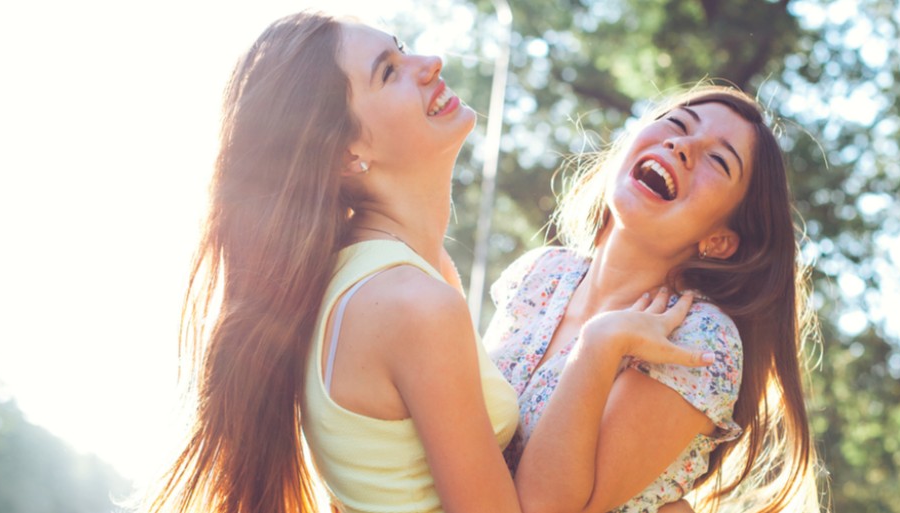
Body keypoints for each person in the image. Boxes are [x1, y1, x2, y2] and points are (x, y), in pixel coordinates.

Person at [149, 12, 712, 513]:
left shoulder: (392, 276)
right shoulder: (412, 304)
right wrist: (599, 345)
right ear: (348, 152)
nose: (430, 62)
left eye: (402, 47)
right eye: (388, 71)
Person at [485, 85, 818, 513]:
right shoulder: (542, 273)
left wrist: (599, 346)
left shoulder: (697, 340)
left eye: (718, 160)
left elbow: (543, 507)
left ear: (718, 240)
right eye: (677, 124)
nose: (681, 146)